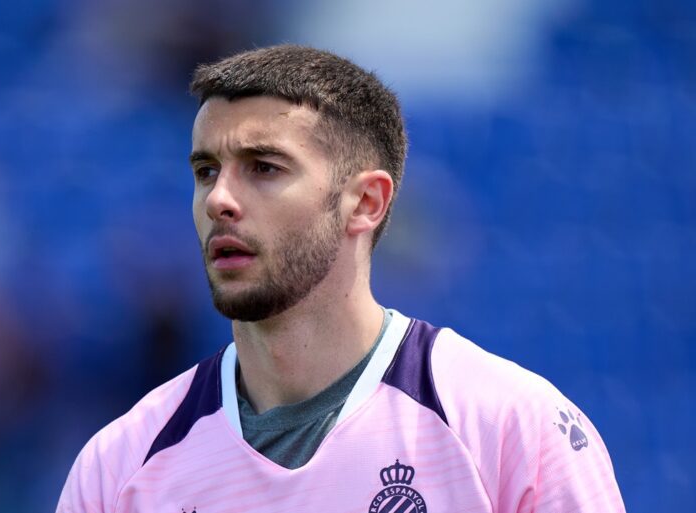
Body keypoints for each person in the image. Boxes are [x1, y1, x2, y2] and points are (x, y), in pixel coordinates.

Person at [57, 45, 625, 513]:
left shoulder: (509, 429)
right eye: (206, 171)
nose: (219, 199)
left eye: (264, 168)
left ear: (365, 202)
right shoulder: (120, 467)